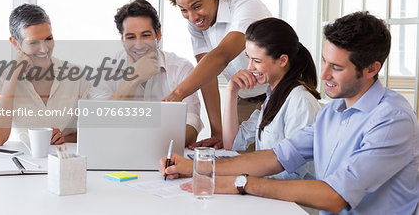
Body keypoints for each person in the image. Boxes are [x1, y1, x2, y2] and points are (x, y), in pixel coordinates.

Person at [160, 12, 419, 214]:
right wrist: (197, 166)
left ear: (372, 69)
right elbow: (276, 157)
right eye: (325, 60)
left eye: (337, 67)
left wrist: (243, 183)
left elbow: (335, 196)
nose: (325, 74)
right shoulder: (334, 112)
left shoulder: (392, 119)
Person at [158, 0, 272, 148]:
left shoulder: (246, 7)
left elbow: (221, 56)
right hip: (244, 99)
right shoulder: (197, 25)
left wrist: (178, 93)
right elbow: (207, 75)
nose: (192, 17)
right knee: (233, 159)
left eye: (197, 6)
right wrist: (217, 132)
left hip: (279, 93)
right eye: (183, 10)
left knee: (271, 166)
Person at [88, 0, 202, 146]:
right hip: (116, 154)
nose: (139, 45)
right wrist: (133, 79)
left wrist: (150, 144)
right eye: (131, 37)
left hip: (164, 156)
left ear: (158, 35)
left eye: (146, 35)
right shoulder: (105, 71)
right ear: (122, 39)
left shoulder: (181, 69)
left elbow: (191, 127)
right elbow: (98, 126)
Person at [223, 18, 321, 180]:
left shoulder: (300, 101)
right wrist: (231, 91)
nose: (249, 68)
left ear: (282, 60)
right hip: (269, 193)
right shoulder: (272, 98)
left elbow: (293, 174)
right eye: (248, 58)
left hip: (292, 202)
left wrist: (246, 181)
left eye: (257, 61)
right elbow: (232, 144)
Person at [0, 4, 90, 146]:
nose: (44, 49)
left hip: (64, 160)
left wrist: (64, 138)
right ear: (16, 43)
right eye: (33, 42)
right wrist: (13, 77)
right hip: (23, 162)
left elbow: (92, 132)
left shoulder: (76, 75)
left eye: (48, 39)